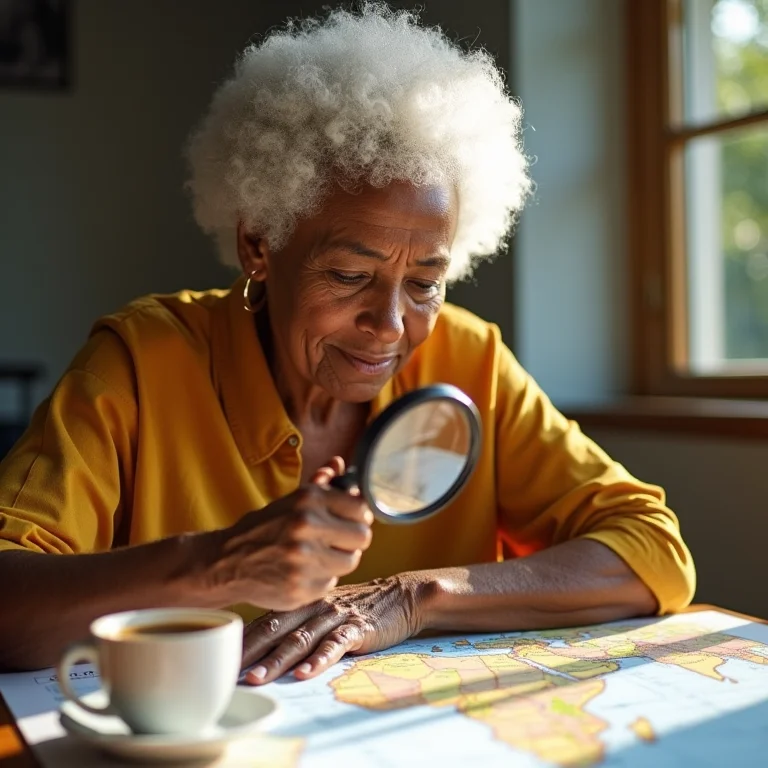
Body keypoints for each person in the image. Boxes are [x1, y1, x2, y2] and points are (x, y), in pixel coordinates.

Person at [0, 3, 695, 683]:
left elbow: (653, 550)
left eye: (426, 281)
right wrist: (220, 565)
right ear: (257, 243)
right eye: (349, 274)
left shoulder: (470, 360)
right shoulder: (142, 361)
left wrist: (411, 599)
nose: (392, 324)